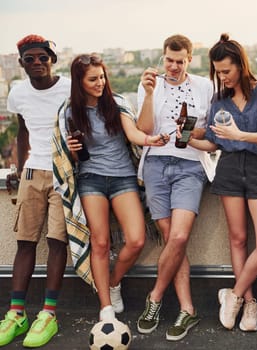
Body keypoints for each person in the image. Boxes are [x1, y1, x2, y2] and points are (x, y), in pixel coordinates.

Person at [57, 53, 168, 322]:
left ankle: (113, 282)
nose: (100, 83)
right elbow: (68, 159)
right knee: (101, 242)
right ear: (79, 82)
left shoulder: (116, 102)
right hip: (91, 179)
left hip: (122, 178)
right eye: (93, 79)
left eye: (102, 77)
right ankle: (105, 308)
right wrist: (72, 151)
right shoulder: (70, 111)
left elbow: (133, 134)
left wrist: (151, 140)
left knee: (136, 239)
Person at [188, 33, 257, 332]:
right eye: (218, 71)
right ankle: (250, 304)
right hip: (228, 170)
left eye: (227, 70)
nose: (222, 76)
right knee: (238, 239)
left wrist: (239, 135)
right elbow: (214, 143)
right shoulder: (219, 99)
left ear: (241, 64)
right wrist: (186, 140)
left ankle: (234, 294)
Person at [135, 34, 213, 342]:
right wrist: (150, 93)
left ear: (190, 60)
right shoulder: (149, 85)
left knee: (179, 236)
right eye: (169, 59)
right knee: (171, 240)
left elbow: (212, 130)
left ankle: (154, 298)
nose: (174, 66)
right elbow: (143, 130)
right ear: (162, 57)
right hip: (155, 165)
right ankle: (187, 309)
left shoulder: (205, 87)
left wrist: (190, 130)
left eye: (180, 61)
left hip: (191, 164)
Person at [0, 34, 70, 348]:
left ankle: (48, 314)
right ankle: (17, 313)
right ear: (22, 63)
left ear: (53, 59)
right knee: (25, 242)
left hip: (62, 172)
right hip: (32, 171)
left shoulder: (69, 87)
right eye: (31, 59)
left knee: (57, 241)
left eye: (43, 57)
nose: (38, 63)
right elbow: (22, 129)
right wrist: (17, 167)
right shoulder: (18, 92)